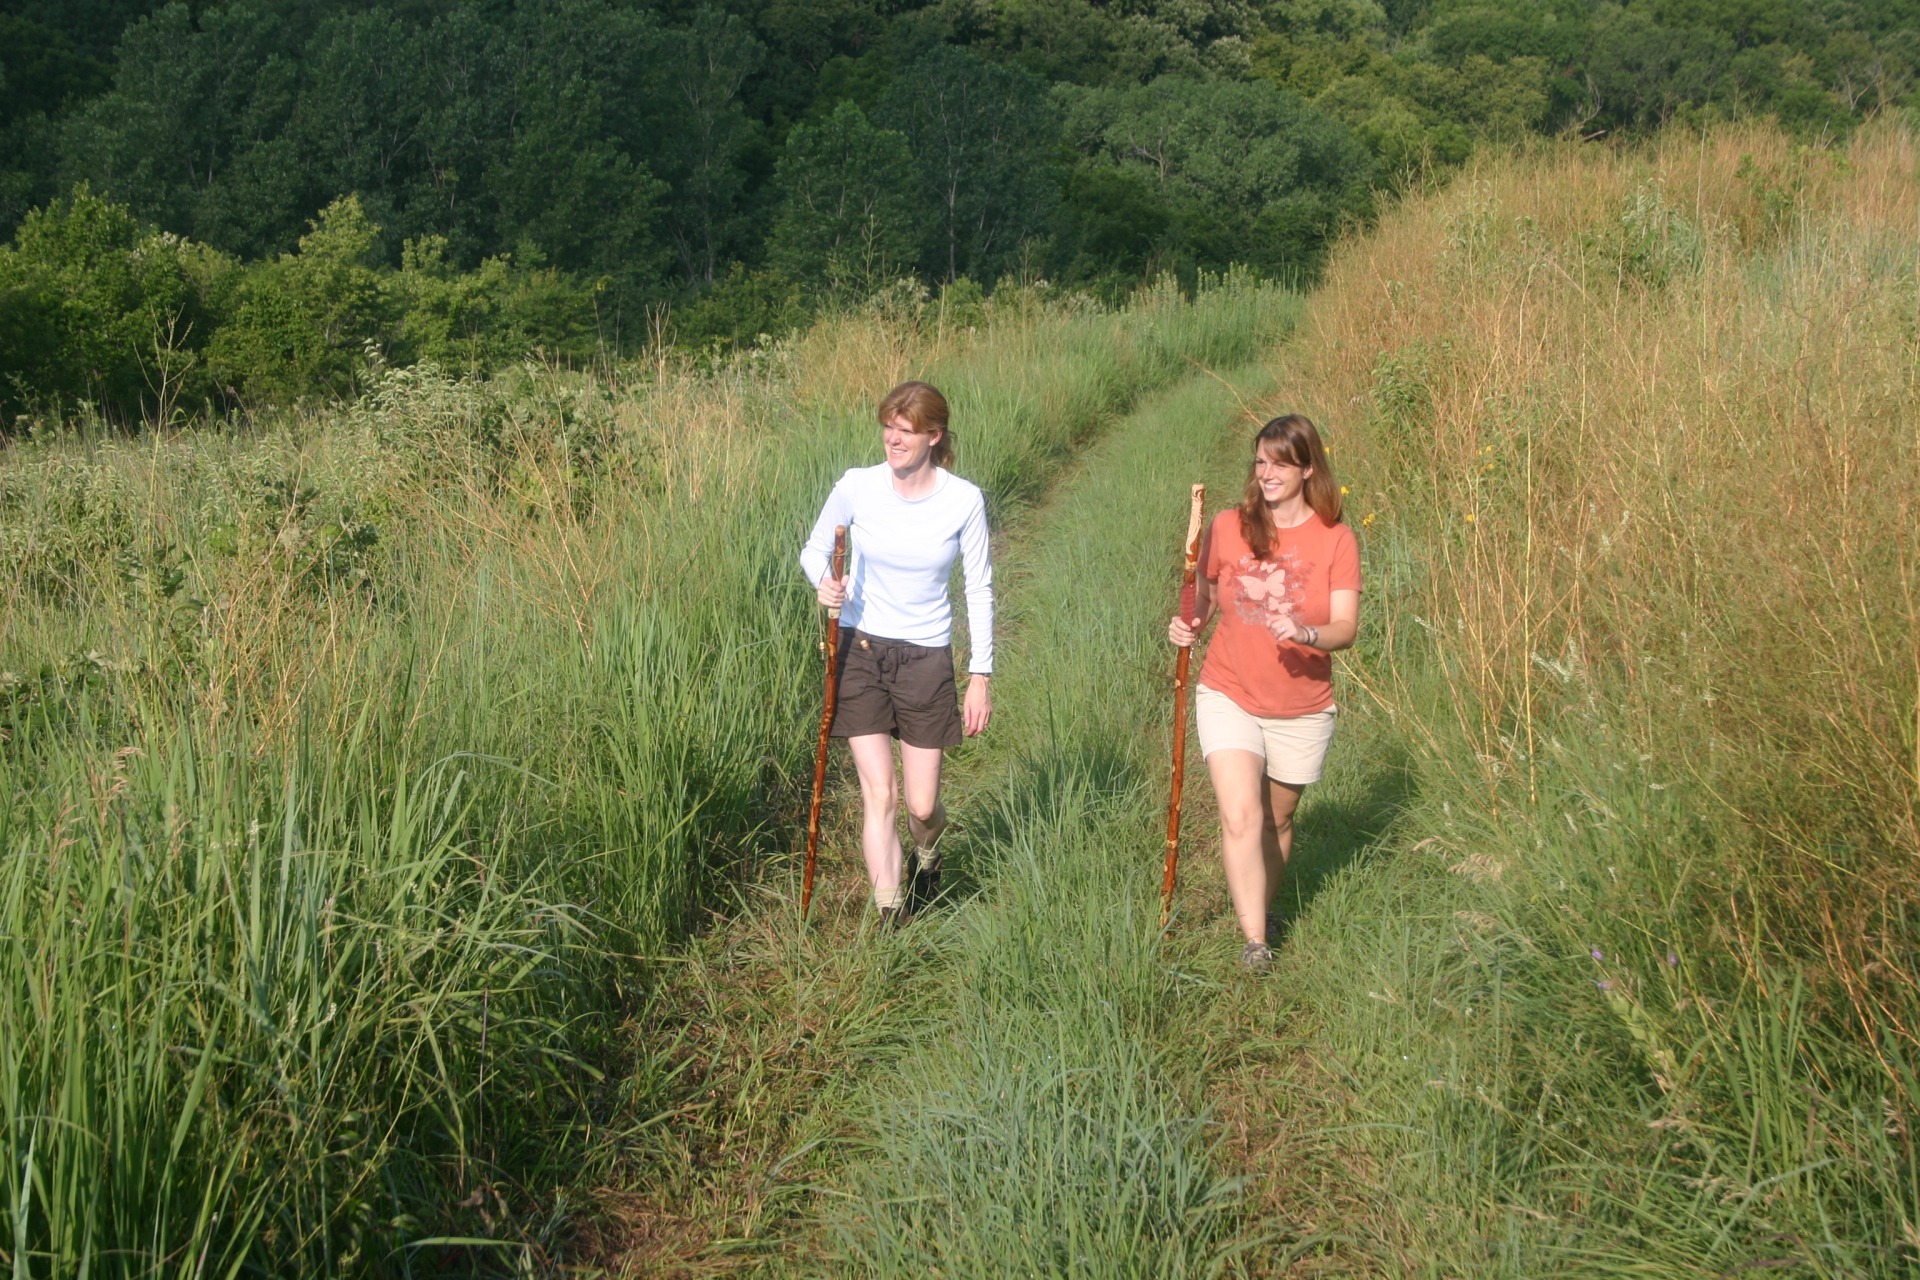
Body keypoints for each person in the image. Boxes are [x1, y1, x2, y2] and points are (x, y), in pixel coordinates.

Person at [1168, 415, 1360, 971]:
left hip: (1302, 705)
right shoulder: (1229, 526)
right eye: (1260, 461)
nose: (1267, 472)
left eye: (1280, 462)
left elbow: (1346, 627)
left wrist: (1307, 634)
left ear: (1306, 468)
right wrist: (1189, 623)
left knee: (1277, 820)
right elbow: (1202, 594)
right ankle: (1255, 941)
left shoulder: (1336, 539)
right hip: (1227, 689)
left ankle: (1262, 906)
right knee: (1240, 817)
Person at [800, 380, 993, 926]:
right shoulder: (857, 486)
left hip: (926, 658)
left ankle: (927, 855)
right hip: (859, 652)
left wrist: (980, 673)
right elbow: (815, 549)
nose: (892, 439)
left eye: (904, 431)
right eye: (887, 427)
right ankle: (891, 915)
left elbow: (978, 587)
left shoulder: (962, 499)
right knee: (879, 794)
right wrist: (823, 582)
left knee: (921, 805)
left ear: (934, 436)